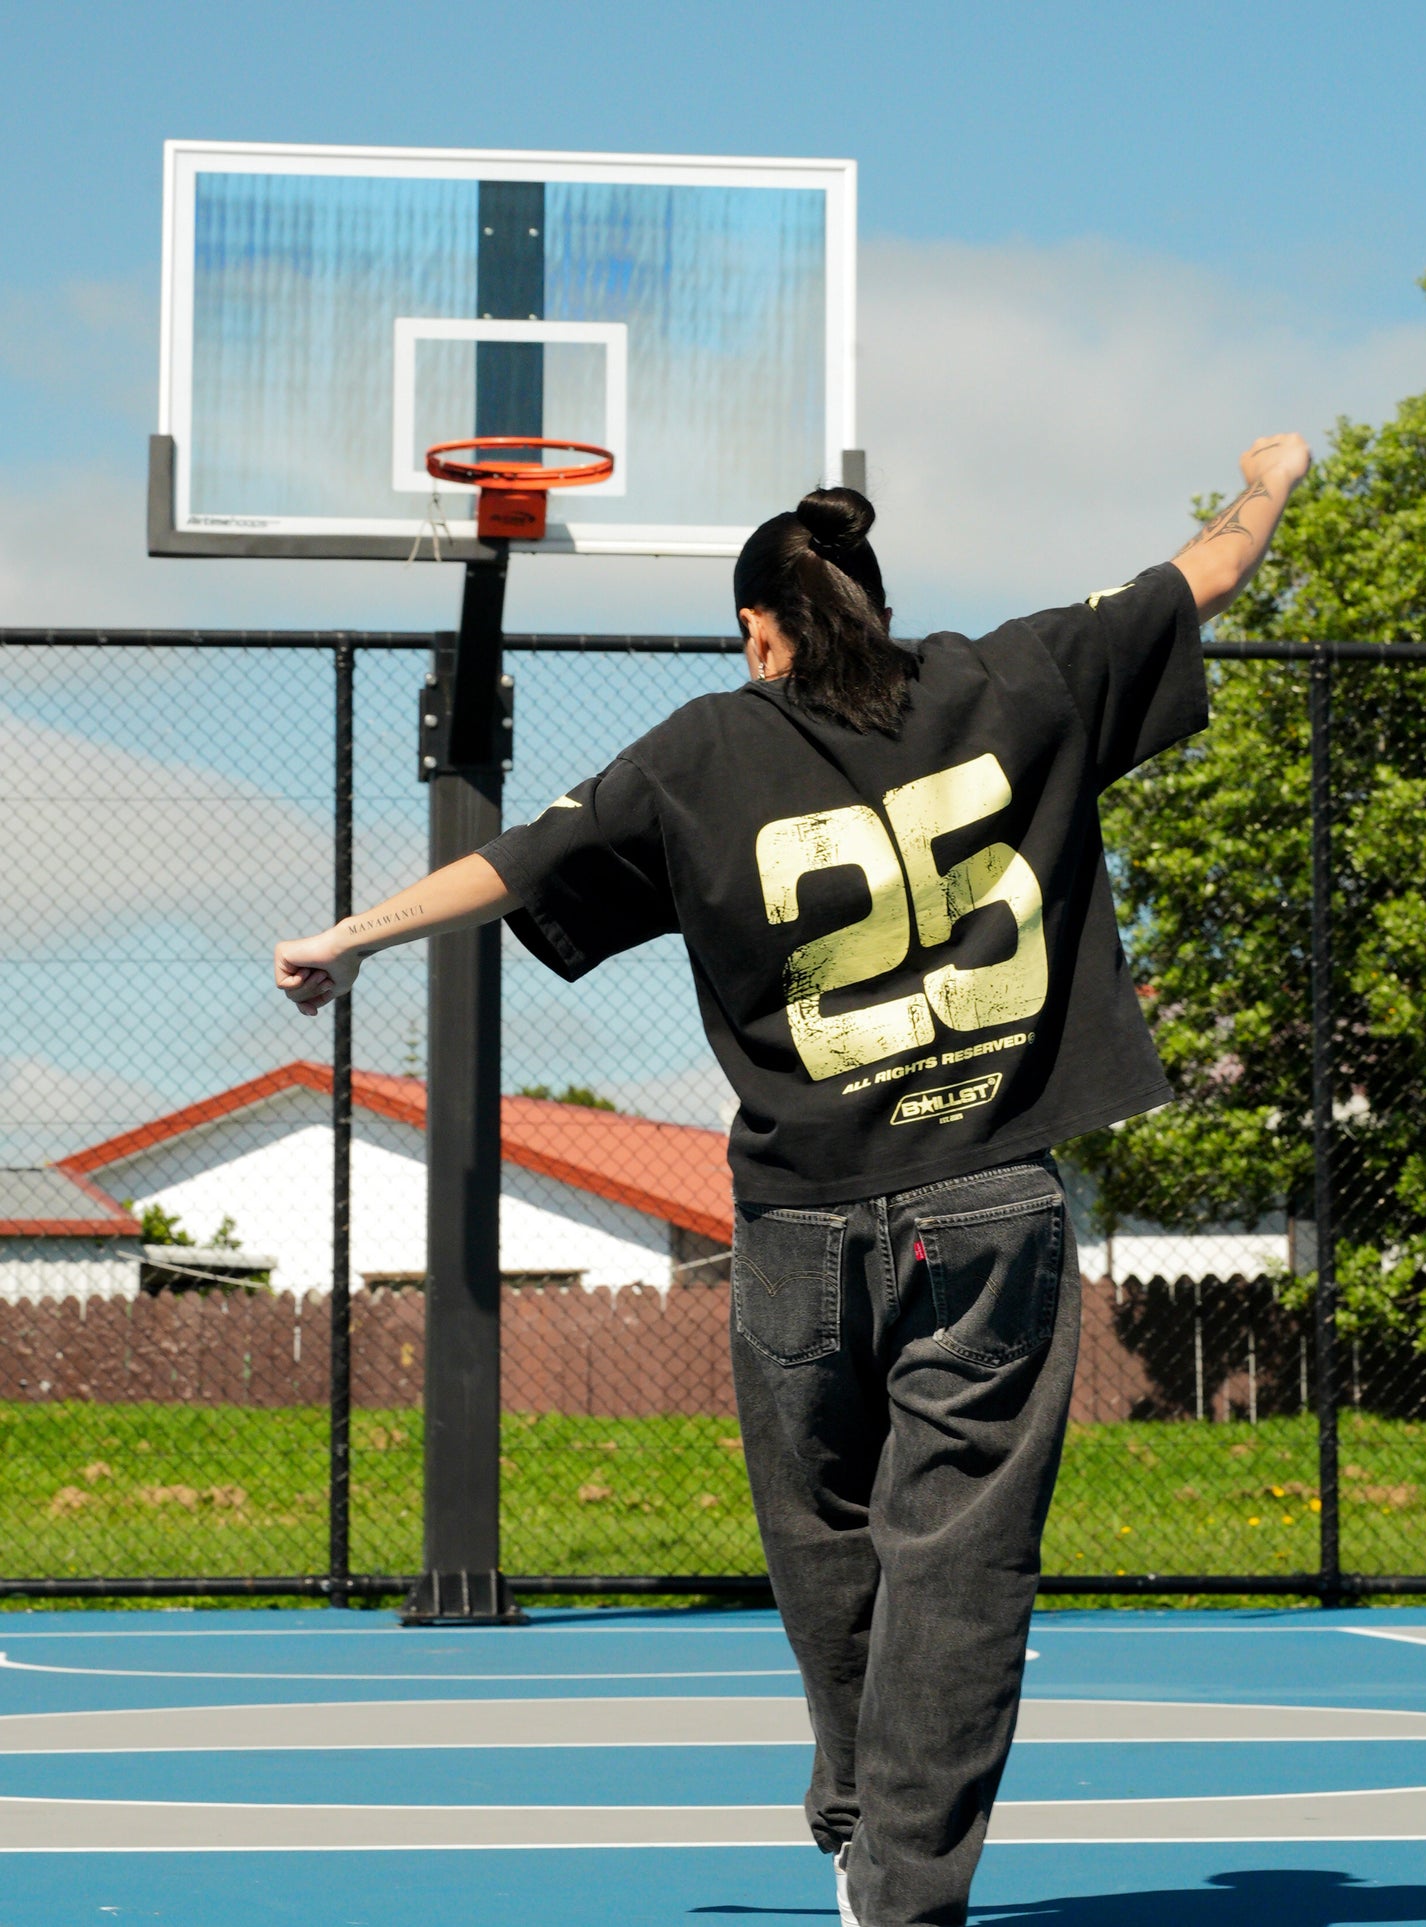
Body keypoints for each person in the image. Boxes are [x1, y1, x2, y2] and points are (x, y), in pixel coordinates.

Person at [274, 433, 1311, 1926]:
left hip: (798, 1219)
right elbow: (1210, 566)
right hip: (986, 1199)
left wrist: (345, 940)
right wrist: (1269, 475)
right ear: (870, 608)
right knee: (953, 1567)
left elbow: (517, 862)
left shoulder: (704, 746)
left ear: (762, 630)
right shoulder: (1016, 675)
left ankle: (854, 1812)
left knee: (825, 1544)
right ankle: (900, 1883)